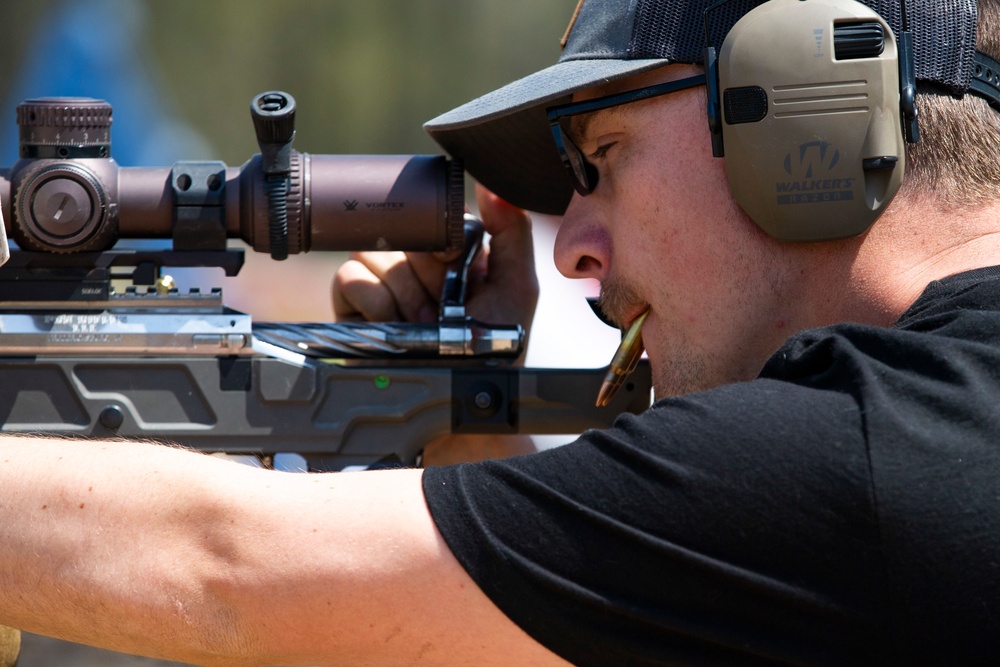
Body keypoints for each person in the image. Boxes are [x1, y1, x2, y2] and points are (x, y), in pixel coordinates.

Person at [3, 0, 1000, 664]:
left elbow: (225, 573)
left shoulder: (876, 455)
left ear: (803, 114)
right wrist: (469, 439)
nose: (573, 250)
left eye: (603, 155)